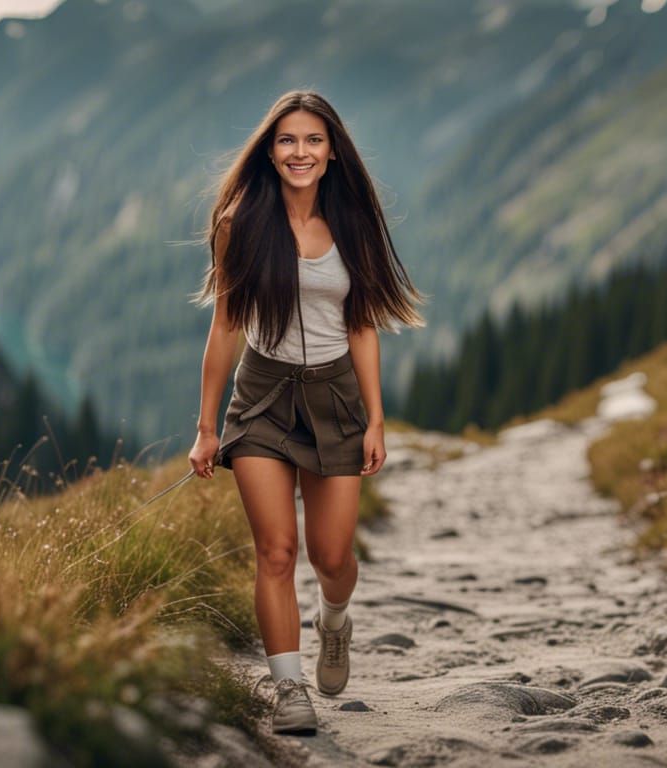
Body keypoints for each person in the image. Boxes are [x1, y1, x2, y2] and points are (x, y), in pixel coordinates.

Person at [188, 90, 423, 735]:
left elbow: (364, 326)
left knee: (332, 555)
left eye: (312, 140)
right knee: (276, 550)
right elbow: (227, 326)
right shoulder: (242, 222)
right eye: (287, 140)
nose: (300, 152)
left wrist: (375, 418)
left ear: (331, 150)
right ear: (270, 149)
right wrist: (207, 428)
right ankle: (289, 690)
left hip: (336, 396)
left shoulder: (352, 222)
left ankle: (335, 619)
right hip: (262, 395)